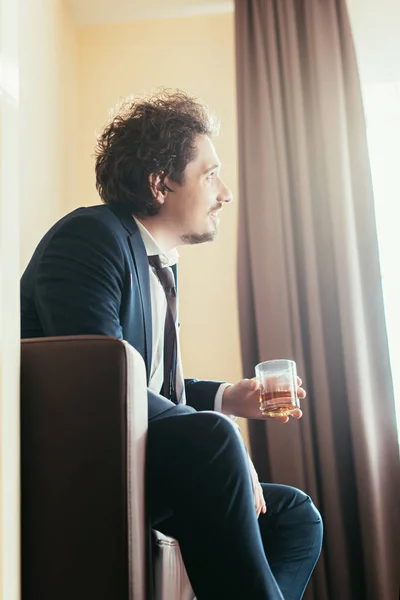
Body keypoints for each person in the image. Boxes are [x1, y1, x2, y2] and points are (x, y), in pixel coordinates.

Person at [20, 90, 322, 599]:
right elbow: (102, 382)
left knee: (295, 517)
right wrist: (223, 438)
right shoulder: (90, 238)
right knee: (217, 442)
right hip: (84, 458)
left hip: (144, 455)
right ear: (160, 184)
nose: (225, 193)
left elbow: (148, 381)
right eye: (210, 174)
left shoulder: (159, 265)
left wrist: (229, 397)